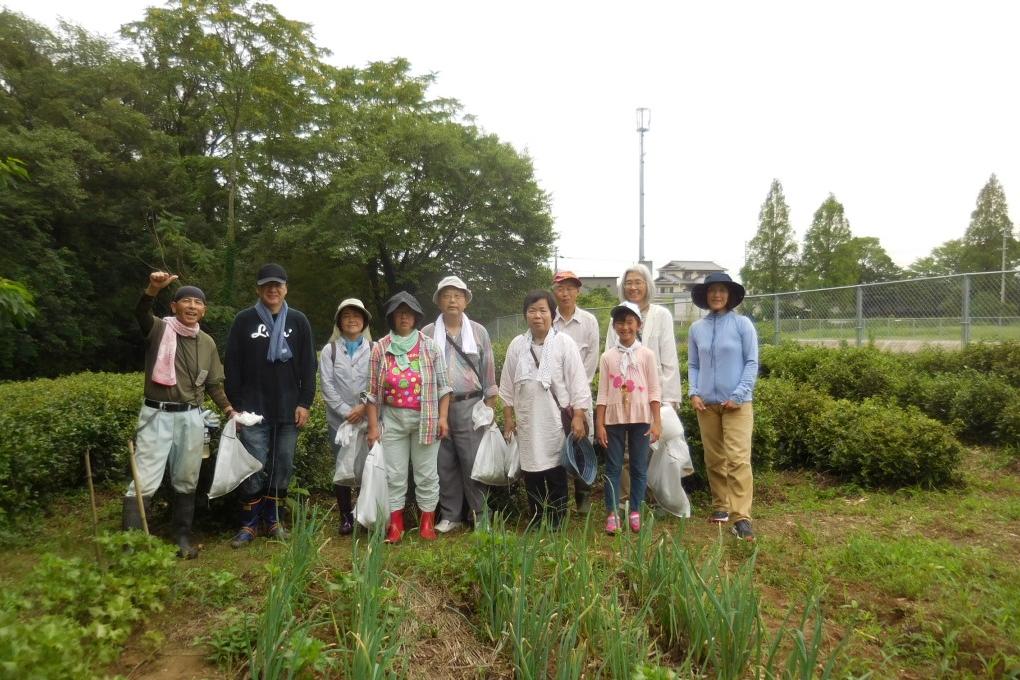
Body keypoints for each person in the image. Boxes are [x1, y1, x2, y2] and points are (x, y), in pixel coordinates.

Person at [124, 271, 234, 559]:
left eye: (198, 303)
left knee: (187, 478)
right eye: (186, 301)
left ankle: (181, 538)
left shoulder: (207, 343)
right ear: (174, 306)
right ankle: (132, 546)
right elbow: (140, 312)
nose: (192, 307)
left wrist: (228, 409)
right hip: (156, 415)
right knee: (145, 478)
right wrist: (152, 288)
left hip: (191, 417)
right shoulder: (159, 329)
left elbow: (212, 384)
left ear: (204, 310)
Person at [225, 263, 316, 548]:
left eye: (278, 285)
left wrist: (305, 403)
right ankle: (249, 524)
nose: (272, 290)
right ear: (258, 289)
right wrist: (236, 408)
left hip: (289, 409)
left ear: (286, 288)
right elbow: (232, 365)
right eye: (267, 285)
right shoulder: (244, 320)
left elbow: (308, 366)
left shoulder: (299, 321)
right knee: (253, 466)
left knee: (282, 465)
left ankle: (273, 521)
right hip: (253, 410)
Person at [365, 291, 452, 543]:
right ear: (392, 317)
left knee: (426, 474)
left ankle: (427, 523)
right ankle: (396, 525)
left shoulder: (429, 346)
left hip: (426, 419)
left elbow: (444, 388)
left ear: (416, 317)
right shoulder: (380, 348)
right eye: (399, 313)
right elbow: (371, 393)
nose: (404, 317)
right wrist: (372, 427)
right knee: (395, 474)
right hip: (392, 419)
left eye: (409, 313)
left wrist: (443, 418)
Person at [500, 290, 591, 528]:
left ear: (552, 314)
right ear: (525, 315)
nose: (537, 316)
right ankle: (538, 517)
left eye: (542, 310)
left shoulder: (563, 343)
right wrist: (508, 417)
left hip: (554, 422)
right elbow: (507, 384)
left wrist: (579, 416)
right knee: (531, 472)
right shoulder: (517, 345)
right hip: (528, 422)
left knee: (555, 470)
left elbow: (578, 382)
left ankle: (558, 519)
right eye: (532, 311)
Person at [422, 276, 499, 533]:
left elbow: (488, 372)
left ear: (466, 300)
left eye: (458, 295)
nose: (452, 300)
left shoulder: (479, 331)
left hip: (471, 404)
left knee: (473, 461)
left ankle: (480, 515)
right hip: (438, 406)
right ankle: (450, 515)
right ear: (439, 301)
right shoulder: (428, 333)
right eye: (447, 295)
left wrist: (490, 407)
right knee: (444, 463)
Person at [688, 272, 759, 541]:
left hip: (737, 405)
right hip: (707, 405)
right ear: (705, 296)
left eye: (721, 290)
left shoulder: (742, 325)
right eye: (712, 291)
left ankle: (742, 517)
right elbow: (694, 365)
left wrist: (739, 394)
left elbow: (751, 362)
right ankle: (721, 505)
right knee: (714, 458)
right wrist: (694, 392)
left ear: (729, 295)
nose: (716, 295)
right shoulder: (697, 329)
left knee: (738, 459)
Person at [595, 301, 662, 534]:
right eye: (620, 322)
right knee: (613, 467)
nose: (625, 327)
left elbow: (654, 390)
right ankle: (612, 512)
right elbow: (602, 393)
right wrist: (599, 423)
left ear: (638, 325)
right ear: (614, 326)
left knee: (638, 467)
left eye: (630, 322)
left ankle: (635, 510)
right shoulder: (607, 357)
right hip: (613, 418)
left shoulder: (647, 355)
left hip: (641, 417)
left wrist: (657, 422)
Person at [319, 298, 373, 536]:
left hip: (367, 416)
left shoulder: (374, 349)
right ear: (339, 322)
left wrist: (362, 407)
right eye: (346, 315)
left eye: (357, 315)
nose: (352, 319)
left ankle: (363, 513)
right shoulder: (329, 351)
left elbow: (376, 382)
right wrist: (345, 410)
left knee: (365, 465)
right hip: (339, 420)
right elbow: (327, 385)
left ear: (364, 322)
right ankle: (345, 517)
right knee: (342, 465)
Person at [551, 270, 600, 513]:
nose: (566, 293)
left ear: (578, 291)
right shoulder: (549, 320)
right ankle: (560, 497)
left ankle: (583, 495)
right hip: (554, 397)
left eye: (570, 288)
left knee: (583, 442)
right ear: (554, 291)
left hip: (581, 396)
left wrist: (578, 393)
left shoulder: (589, 321)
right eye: (561, 288)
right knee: (557, 443)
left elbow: (592, 358)